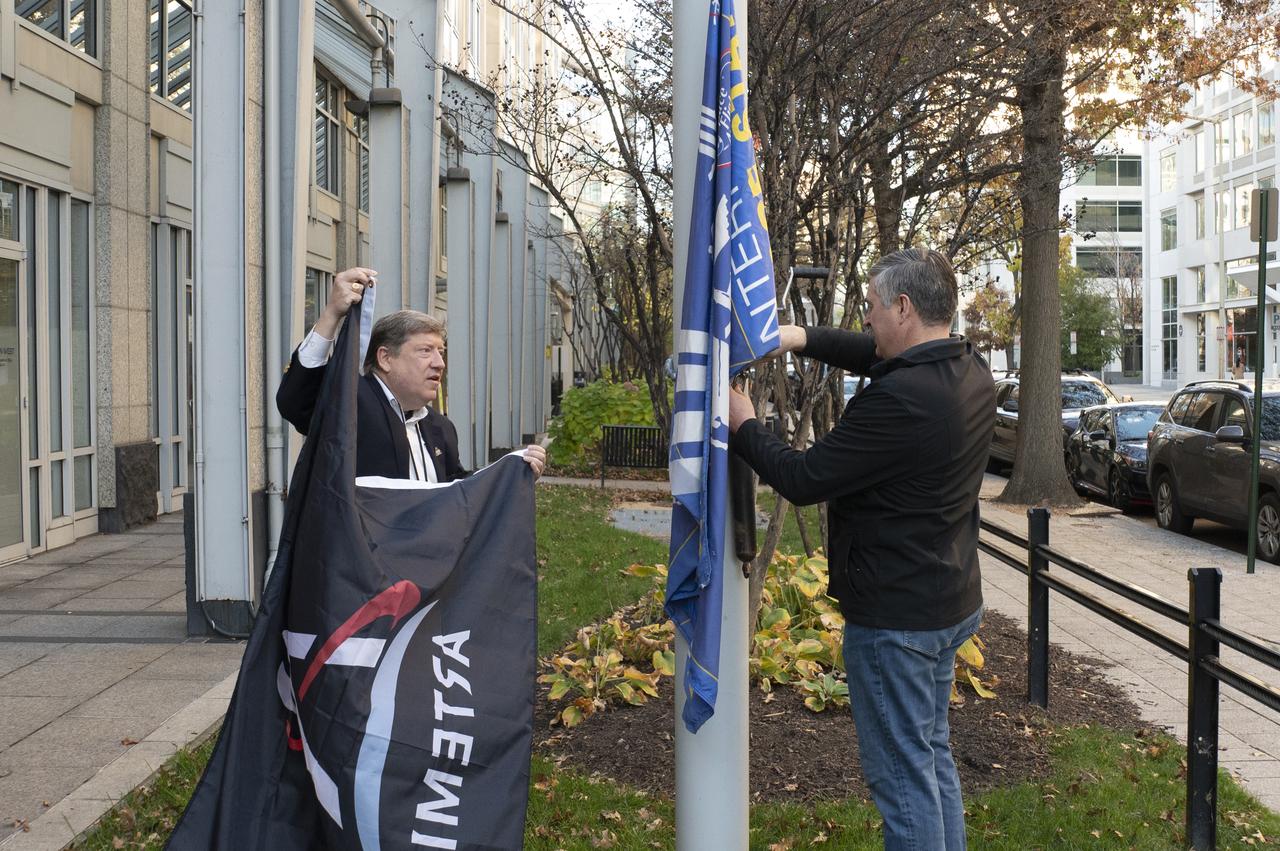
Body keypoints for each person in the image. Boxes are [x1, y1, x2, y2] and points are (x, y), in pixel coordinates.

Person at [727, 247, 993, 851]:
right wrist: (794, 336)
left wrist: (744, 423)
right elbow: (870, 352)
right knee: (929, 758)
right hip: (946, 600)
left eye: (872, 307)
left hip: (896, 622)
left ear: (903, 307)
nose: (866, 320)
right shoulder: (968, 369)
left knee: (903, 786)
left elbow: (801, 479)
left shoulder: (899, 402)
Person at [277, 267, 546, 480]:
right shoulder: (349, 406)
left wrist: (511, 473)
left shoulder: (441, 428)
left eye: (441, 351)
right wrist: (332, 314)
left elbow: (455, 491)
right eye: (426, 351)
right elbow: (296, 401)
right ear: (385, 358)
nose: (440, 363)